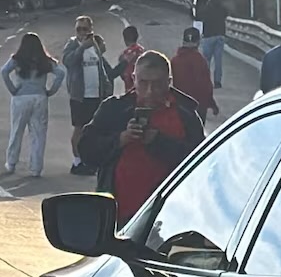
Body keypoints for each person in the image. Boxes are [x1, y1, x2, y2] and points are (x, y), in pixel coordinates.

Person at [78, 51, 205, 225]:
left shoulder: (186, 115)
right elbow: (86, 151)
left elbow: (200, 165)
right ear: (134, 79)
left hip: (167, 220)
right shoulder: (114, 109)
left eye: (158, 84)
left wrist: (157, 142)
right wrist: (121, 139)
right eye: (143, 83)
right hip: (118, 218)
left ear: (169, 82)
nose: (150, 91)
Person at [0, 33, 67, 177]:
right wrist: (51, 91)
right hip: (40, 97)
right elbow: (60, 73)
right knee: (38, 134)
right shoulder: (45, 60)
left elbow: (4, 71)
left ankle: (11, 163)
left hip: (21, 98)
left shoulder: (17, 59)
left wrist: (12, 89)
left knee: (17, 130)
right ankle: (36, 168)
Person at [62, 15, 112, 176]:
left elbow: (101, 67)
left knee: (95, 130)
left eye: (85, 29)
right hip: (80, 96)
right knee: (79, 129)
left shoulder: (96, 45)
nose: (81, 32)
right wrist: (82, 47)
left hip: (96, 94)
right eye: (78, 29)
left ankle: (91, 161)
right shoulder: (72, 44)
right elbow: (68, 62)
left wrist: (106, 89)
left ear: (91, 29)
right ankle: (77, 162)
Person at [170, 27, 218, 121]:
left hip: (180, 106)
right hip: (198, 106)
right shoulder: (200, 60)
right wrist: (212, 103)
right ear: (198, 42)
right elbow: (205, 85)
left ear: (183, 41)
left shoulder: (175, 60)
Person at [198, 0, 229, 89]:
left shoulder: (206, 9)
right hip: (220, 35)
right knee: (218, 60)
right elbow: (226, 14)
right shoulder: (222, 8)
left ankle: (206, 81)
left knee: (206, 60)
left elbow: (199, 16)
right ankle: (217, 82)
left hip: (208, 36)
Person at [114, 25, 145, 91]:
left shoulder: (124, 55)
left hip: (129, 87)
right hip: (142, 87)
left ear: (125, 39)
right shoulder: (142, 51)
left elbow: (121, 72)